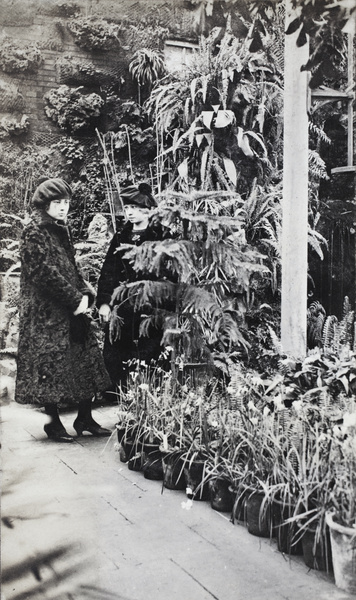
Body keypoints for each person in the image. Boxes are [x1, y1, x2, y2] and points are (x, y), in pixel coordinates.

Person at [15, 177, 112, 442]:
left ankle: (84, 418)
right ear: (45, 203)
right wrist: (74, 299)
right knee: (51, 367)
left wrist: (85, 293)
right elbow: (43, 273)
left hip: (71, 307)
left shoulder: (60, 228)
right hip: (46, 313)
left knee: (84, 359)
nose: (63, 208)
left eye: (66, 203)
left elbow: (70, 265)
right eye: (57, 203)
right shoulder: (34, 230)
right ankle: (53, 423)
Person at [97, 182, 170, 392]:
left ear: (147, 209)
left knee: (150, 351)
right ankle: (115, 392)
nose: (130, 212)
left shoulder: (161, 237)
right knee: (116, 348)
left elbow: (170, 274)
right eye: (127, 208)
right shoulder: (121, 237)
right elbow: (108, 272)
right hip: (122, 306)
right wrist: (104, 303)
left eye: (135, 208)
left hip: (151, 306)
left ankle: (146, 394)